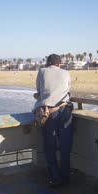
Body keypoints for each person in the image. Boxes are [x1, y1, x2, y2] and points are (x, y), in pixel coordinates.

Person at [33, 54, 73, 187]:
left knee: (50, 147)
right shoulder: (66, 73)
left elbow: (39, 91)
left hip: (48, 113)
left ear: (48, 64)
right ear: (59, 64)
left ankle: (55, 178)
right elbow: (68, 89)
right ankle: (66, 178)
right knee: (65, 147)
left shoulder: (42, 72)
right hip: (64, 111)